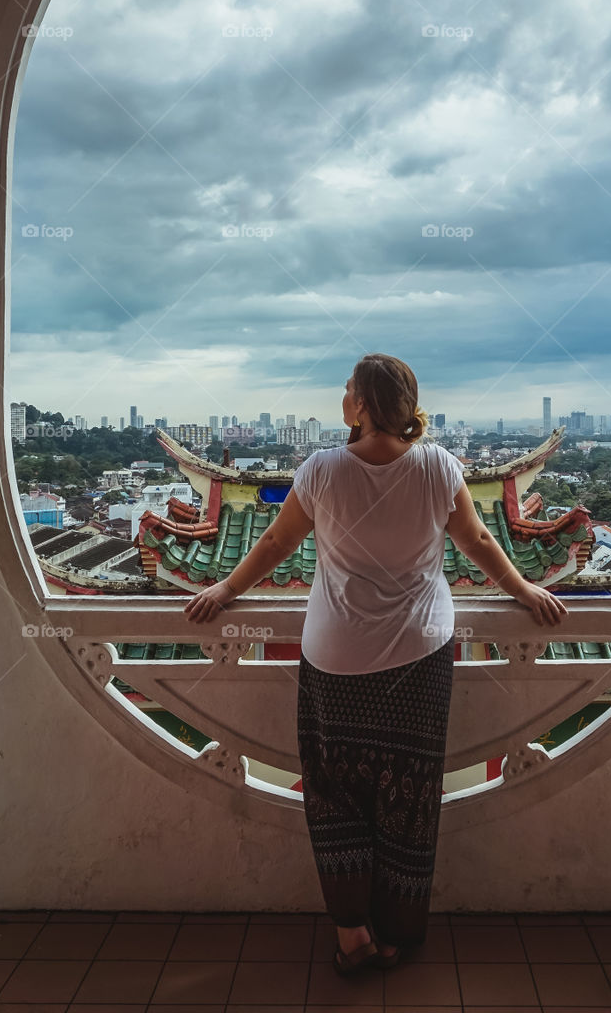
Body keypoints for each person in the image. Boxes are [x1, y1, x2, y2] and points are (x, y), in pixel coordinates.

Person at [184, 353, 567, 976]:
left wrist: (225, 591)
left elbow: (278, 543)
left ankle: (352, 936)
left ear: (361, 405)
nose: (341, 398)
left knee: (336, 797)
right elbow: (480, 541)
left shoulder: (322, 471)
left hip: (336, 659)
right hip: (420, 655)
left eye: (347, 391)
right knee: (408, 796)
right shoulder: (440, 467)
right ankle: (395, 935)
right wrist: (524, 591)